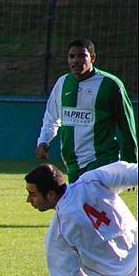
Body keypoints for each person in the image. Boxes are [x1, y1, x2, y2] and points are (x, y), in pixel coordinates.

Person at [25, 161, 138, 276]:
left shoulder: (58, 230)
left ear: (50, 195)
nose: (28, 200)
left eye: (32, 194)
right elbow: (129, 171)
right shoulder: (92, 180)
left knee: (68, 260)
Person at [36, 38, 137, 183]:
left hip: (102, 159)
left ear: (93, 57)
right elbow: (52, 117)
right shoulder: (62, 83)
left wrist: (131, 164)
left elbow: (127, 126)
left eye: (81, 56)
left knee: (90, 200)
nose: (75, 60)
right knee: (85, 205)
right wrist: (44, 140)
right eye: (71, 56)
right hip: (73, 163)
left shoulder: (110, 85)